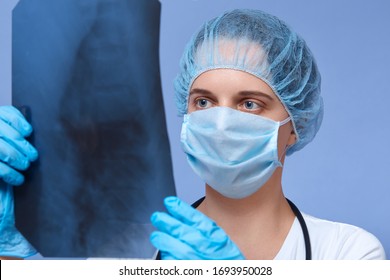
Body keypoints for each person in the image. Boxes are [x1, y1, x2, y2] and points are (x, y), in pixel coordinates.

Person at [0, 9, 386, 260]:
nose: (220, 123)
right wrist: (12, 252)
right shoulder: (130, 251)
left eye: (249, 104)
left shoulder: (348, 253)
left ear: (295, 127)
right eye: (204, 102)